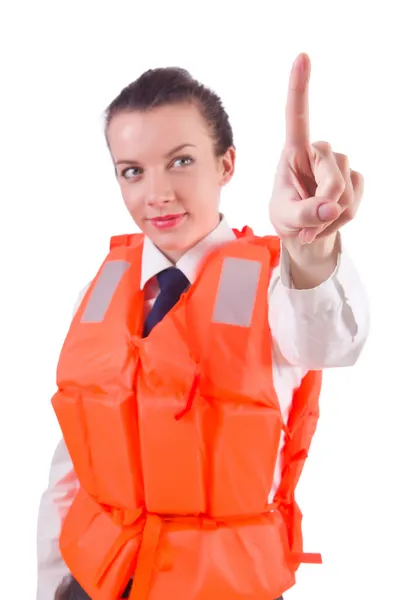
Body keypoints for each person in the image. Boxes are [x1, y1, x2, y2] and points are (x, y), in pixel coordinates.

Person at [36, 53, 370, 600]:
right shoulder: (96, 293)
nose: (157, 193)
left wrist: (310, 247)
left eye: (182, 161)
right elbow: (74, 460)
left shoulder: (273, 287)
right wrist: (50, 583)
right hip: (92, 584)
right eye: (133, 171)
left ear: (227, 164)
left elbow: (330, 341)